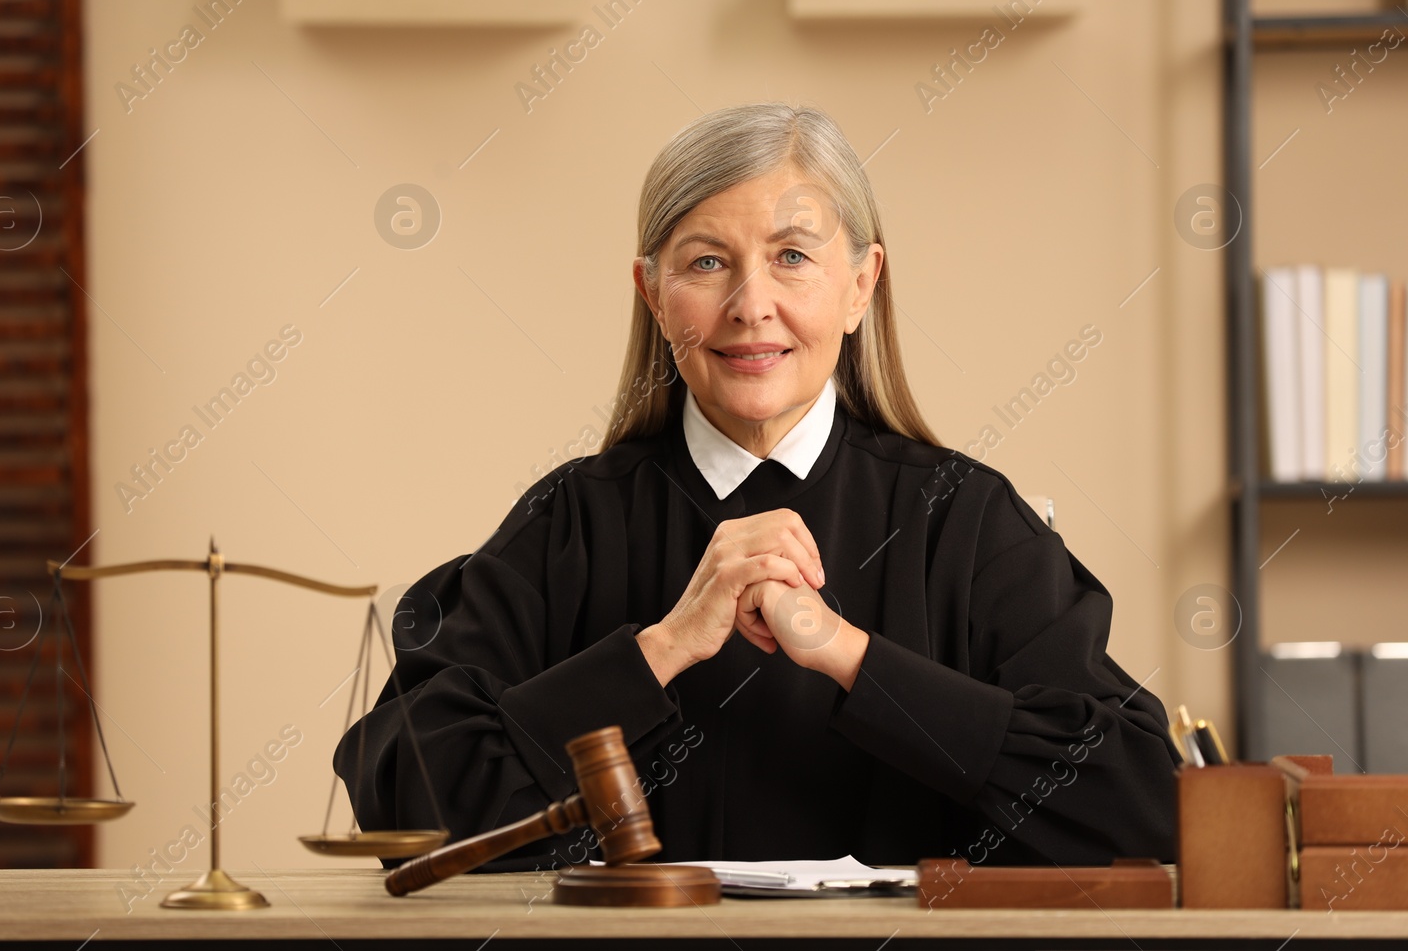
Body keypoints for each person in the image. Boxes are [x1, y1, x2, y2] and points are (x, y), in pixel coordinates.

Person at [336, 102, 1179, 871]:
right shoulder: (570, 523)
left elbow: (1139, 805)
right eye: (707, 262)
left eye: (792, 257)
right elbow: (409, 801)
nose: (750, 305)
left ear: (860, 286)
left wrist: (849, 655)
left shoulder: (964, 520)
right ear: (654, 295)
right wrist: (660, 649)